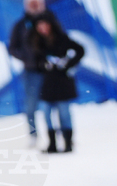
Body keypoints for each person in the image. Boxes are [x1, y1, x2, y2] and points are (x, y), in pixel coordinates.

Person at [8, 0, 59, 146]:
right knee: (31, 105)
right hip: (31, 71)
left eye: (37, 3)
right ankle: (33, 135)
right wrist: (27, 57)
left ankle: (59, 132)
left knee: (55, 104)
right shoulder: (21, 25)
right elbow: (13, 47)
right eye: (32, 4)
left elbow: (61, 40)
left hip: (51, 70)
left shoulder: (51, 21)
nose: (35, 7)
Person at [28, 14, 84, 153]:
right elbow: (35, 61)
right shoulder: (36, 41)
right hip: (47, 83)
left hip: (62, 82)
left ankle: (68, 143)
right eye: (39, 25)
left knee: (64, 113)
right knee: (46, 112)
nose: (43, 28)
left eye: (45, 24)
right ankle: (52, 144)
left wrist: (66, 64)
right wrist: (43, 65)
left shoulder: (61, 38)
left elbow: (80, 50)